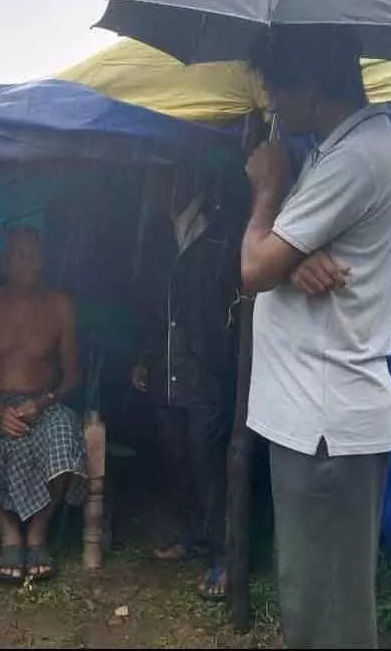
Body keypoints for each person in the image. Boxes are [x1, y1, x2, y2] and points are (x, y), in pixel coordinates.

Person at [240, 25, 391, 649]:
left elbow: (255, 267)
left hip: (325, 424)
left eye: (277, 90)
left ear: (311, 80)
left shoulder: (357, 157)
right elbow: (283, 256)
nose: (274, 106)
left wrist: (266, 193)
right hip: (312, 421)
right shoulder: (334, 152)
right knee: (312, 604)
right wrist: (292, 255)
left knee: (329, 621)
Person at [129, 166, 240, 600]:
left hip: (207, 370)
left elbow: (236, 302)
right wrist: (142, 356)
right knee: (176, 456)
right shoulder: (160, 236)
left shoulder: (222, 233)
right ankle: (192, 535)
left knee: (208, 463)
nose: (152, 188)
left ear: (182, 183)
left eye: (159, 180)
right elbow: (148, 304)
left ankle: (224, 557)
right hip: (163, 365)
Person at [0, 225, 87, 585]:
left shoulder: (60, 305)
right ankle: (9, 533)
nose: (28, 263)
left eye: (33, 255)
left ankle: (38, 533)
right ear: (3, 261)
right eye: (19, 255)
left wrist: (42, 403)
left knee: (65, 431)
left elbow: (73, 376)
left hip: (43, 403)